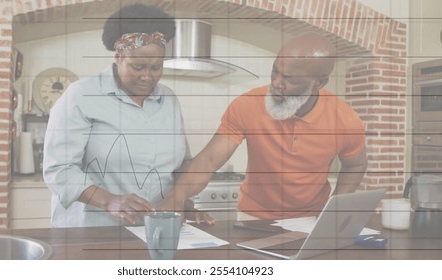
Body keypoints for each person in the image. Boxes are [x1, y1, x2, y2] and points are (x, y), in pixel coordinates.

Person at [161, 32, 368, 220]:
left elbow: (355, 165)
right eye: (275, 72)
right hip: (253, 218)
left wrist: (334, 212)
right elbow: (208, 161)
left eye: (289, 79)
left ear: (319, 83)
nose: (276, 83)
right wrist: (176, 198)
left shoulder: (345, 120)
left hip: (311, 220)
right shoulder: (248, 104)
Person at [43, 4, 213, 227]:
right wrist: (110, 201)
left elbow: (180, 166)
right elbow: (59, 169)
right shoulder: (82, 95)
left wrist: (183, 204)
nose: (147, 76)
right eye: (138, 66)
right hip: (94, 230)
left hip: (154, 228)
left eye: (156, 67)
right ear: (118, 55)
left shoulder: (169, 100)